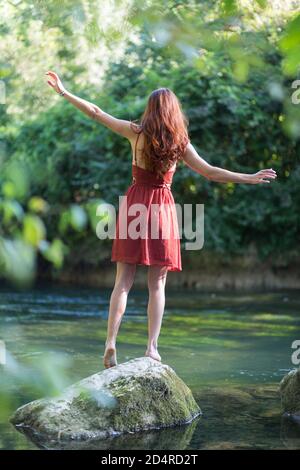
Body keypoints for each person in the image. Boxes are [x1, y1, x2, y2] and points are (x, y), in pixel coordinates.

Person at [45, 71, 277, 368]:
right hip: (162, 209)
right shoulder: (180, 144)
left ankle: (110, 344)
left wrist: (64, 92)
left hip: (134, 205)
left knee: (123, 282)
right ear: (174, 112)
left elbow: (96, 112)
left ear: (150, 110)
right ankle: (152, 348)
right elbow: (211, 172)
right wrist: (250, 177)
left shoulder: (136, 132)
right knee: (158, 284)